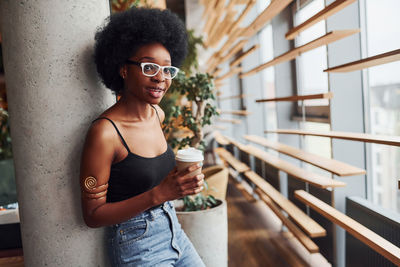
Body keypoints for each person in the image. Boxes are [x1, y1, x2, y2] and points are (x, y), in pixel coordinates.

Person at [79, 7, 206, 267]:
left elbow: (149, 175)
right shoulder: (105, 133)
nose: (160, 78)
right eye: (149, 67)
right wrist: (160, 193)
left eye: (168, 70)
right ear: (123, 69)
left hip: (173, 230)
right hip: (137, 244)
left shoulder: (156, 115)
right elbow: (92, 215)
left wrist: (181, 181)